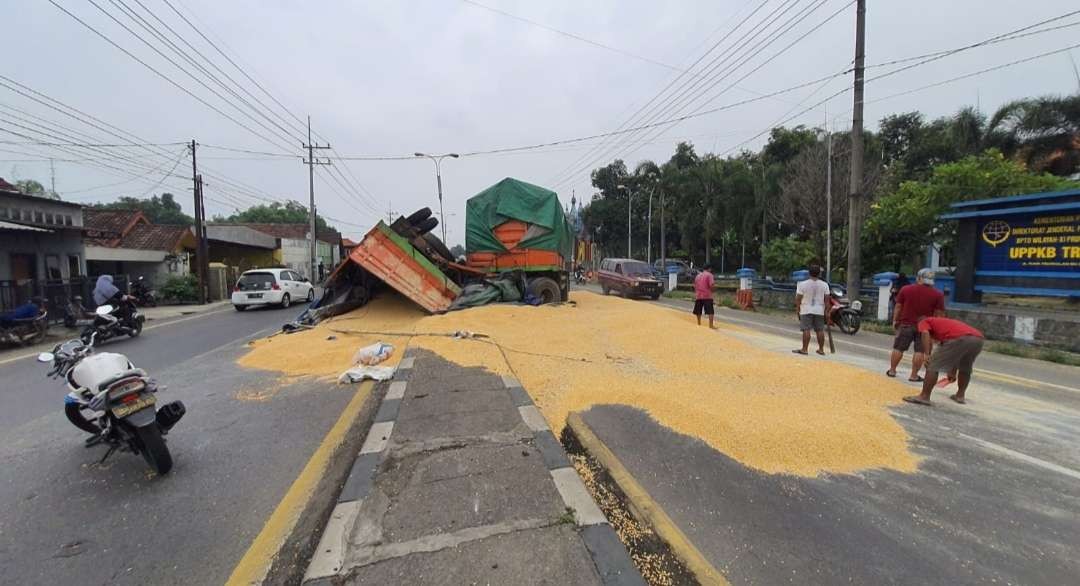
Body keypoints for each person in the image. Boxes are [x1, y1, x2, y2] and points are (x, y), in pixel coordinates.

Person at [903, 316, 984, 406]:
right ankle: (960, 396)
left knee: (933, 365)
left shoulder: (924, 321)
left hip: (960, 338)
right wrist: (952, 370)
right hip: (978, 339)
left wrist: (927, 354)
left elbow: (925, 333)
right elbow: (955, 353)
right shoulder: (943, 324)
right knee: (965, 366)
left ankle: (924, 396)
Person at [887, 268, 945, 381]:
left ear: (919, 278)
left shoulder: (906, 289)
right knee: (920, 351)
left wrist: (895, 320)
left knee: (898, 348)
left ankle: (892, 370)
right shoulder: (938, 295)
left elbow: (898, 306)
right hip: (925, 328)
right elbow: (939, 314)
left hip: (905, 324)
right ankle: (913, 375)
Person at [793, 265, 830, 355]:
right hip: (819, 309)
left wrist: (797, 308)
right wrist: (827, 311)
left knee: (806, 329)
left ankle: (804, 349)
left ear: (809, 273)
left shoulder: (802, 284)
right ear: (819, 273)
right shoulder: (824, 285)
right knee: (820, 330)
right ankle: (821, 349)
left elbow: (798, 298)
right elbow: (827, 300)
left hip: (806, 309)